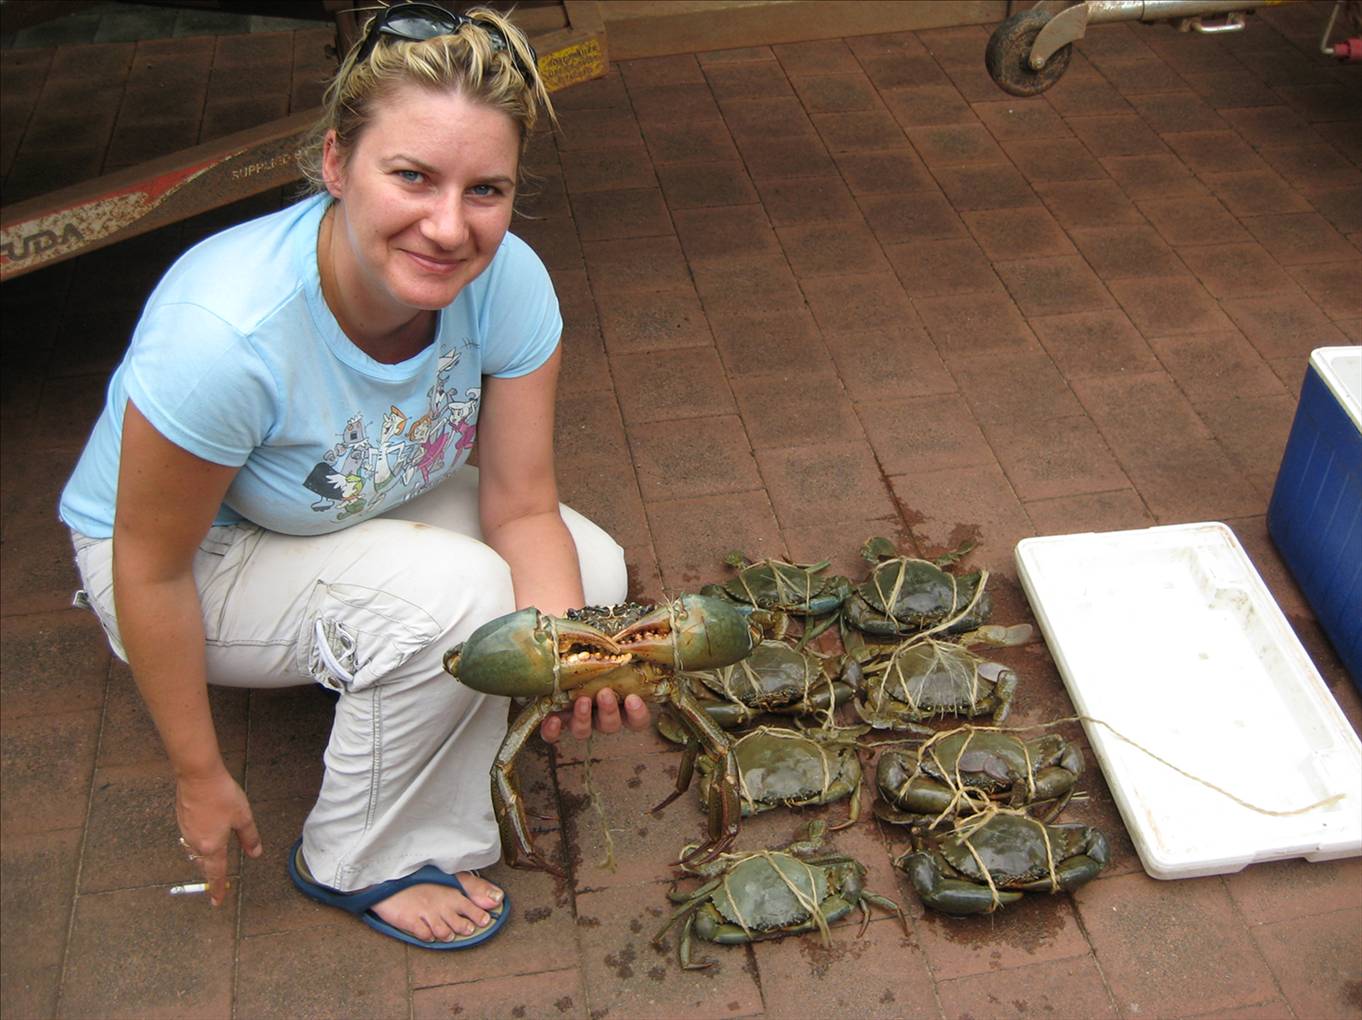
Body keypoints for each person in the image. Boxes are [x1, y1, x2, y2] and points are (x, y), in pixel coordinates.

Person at [58, 3, 650, 950]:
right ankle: (361, 855)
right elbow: (148, 565)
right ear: (337, 163)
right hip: (182, 557)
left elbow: (524, 503)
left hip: (332, 503)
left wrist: (573, 659)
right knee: (459, 600)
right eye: (411, 176)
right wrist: (198, 776)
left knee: (594, 580)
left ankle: (389, 670)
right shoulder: (228, 332)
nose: (449, 227)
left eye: (486, 190)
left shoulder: (511, 280)